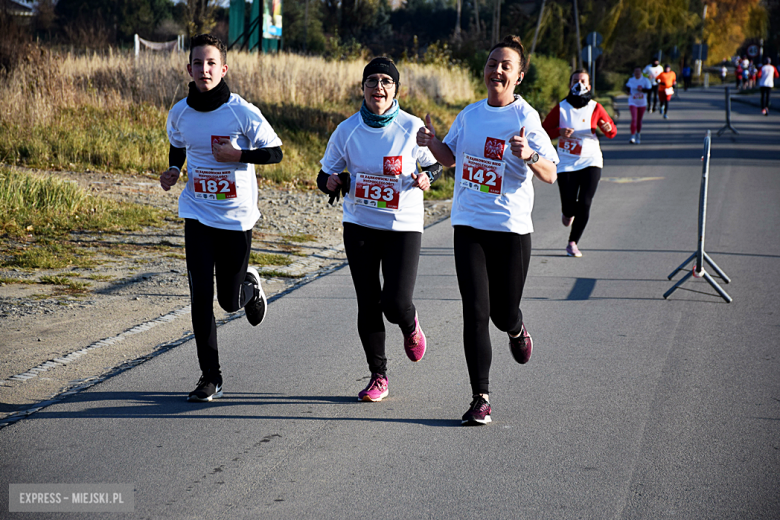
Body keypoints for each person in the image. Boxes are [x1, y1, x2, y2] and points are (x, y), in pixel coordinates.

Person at [417, 35, 558, 425]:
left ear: (519, 76)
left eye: (505, 65)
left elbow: (551, 173)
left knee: (501, 312)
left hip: (510, 229)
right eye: (492, 62)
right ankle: (481, 397)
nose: (497, 69)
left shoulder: (526, 118)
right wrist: (432, 143)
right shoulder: (470, 114)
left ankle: (516, 328)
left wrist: (529, 156)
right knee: (475, 312)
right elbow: (449, 157)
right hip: (469, 225)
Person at [160, 34, 283, 402]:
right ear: (189, 69)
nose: (204, 69)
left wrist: (238, 156)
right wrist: (172, 168)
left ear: (223, 68)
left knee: (228, 302)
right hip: (196, 213)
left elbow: (275, 153)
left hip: (235, 219)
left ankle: (250, 285)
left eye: (211, 63)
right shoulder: (180, 112)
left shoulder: (241, 112)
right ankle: (210, 377)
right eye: (198, 63)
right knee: (200, 298)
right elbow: (179, 145)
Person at [318, 57, 442, 402]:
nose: (379, 87)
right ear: (363, 88)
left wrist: (425, 177)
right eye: (372, 81)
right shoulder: (347, 130)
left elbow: (434, 167)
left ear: (396, 89)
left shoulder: (410, 126)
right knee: (368, 301)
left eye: (386, 81)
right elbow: (325, 174)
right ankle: (379, 376)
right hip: (359, 224)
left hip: (403, 224)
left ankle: (409, 323)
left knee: (395, 301)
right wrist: (329, 182)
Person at [542, 70, 616, 258]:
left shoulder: (596, 107)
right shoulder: (562, 108)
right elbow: (543, 131)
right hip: (566, 161)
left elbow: (611, 131)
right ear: (570, 85)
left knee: (584, 203)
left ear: (589, 86)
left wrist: (608, 128)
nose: (579, 84)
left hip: (591, 159)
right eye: (576, 81)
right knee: (569, 205)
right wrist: (559, 131)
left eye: (583, 81)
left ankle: (573, 242)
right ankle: (567, 213)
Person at [624, 67, 652, 144]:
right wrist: (627, 92)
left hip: (642, 103)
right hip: (633, 102)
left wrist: (642, 90)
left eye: (638, 72)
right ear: (634, 73)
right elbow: (627, 88)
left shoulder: (645, 80)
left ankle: (638, 134)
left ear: (641, 73)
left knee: (639, 120)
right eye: (636, 72)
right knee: (634, 119)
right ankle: (632, 136)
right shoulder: (631, 80)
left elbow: (649, 90)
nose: (637, 74)